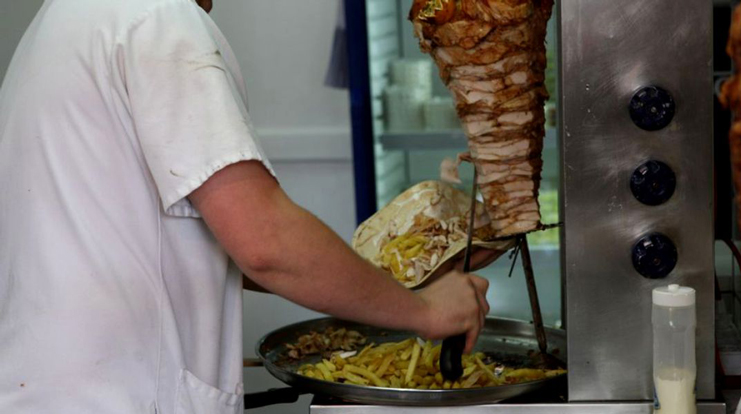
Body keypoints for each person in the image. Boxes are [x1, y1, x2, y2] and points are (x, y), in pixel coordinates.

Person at [0, 0, 491, 413]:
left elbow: (189, 236)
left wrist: (382, 281)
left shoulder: (63, 21)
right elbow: (265, 242)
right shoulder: (158, 19)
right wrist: (424, 310)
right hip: (120, 394)